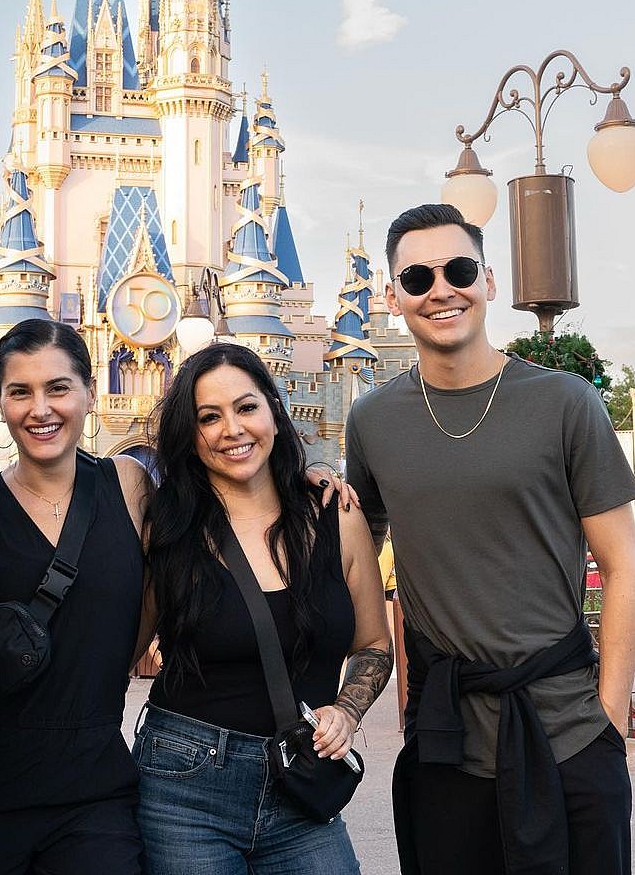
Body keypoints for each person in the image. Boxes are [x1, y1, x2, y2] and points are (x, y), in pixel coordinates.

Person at [346, 203, 635, 875]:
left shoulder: (566, 402)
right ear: (393, 298)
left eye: (458, 270)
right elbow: (359, 558)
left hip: (569, 737)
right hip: (447, 747)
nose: (440, 289)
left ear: (487, 280)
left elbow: (624, 565)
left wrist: (611, 725)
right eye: (417, 278)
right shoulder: (371, 422)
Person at [136, 342, 392, 875]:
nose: (232, 429)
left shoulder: (335, 515)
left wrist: (345, 712)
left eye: (246, 407)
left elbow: (373, 647)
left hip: (301, 784)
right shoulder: (169, 529)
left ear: (275, 410)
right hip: (184, 789)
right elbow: (121, 650)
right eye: (210, 417)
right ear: (192, 434)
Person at [0, 319, 151, 875]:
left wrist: (310, 472)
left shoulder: (129, 484)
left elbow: (225, 503)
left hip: (94, 785)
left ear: (89, 393)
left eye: (58, 388)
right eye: (20, 391)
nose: (40, 409)